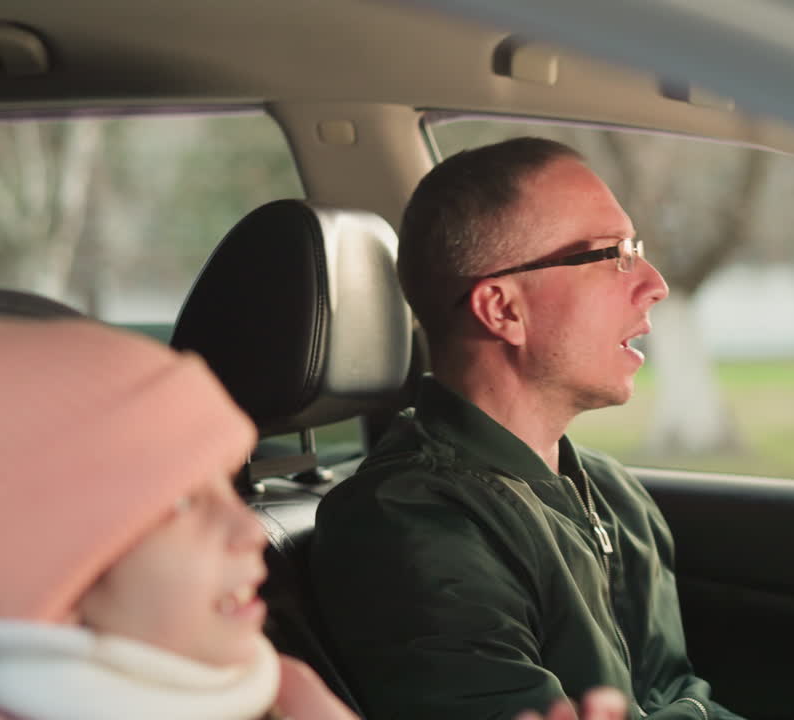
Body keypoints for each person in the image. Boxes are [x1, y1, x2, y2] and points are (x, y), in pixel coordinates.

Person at [0, 300, 625, 720]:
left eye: (228, 487)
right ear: (54, 569)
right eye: (183, 502)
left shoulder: (280, 689)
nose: (246, 527)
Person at [311, 137, 743, 719]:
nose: (654, 283)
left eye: (634, 248)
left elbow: (677, 694)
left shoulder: (613, 494)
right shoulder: (409, 526)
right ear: (503, 310)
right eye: (611, 254)